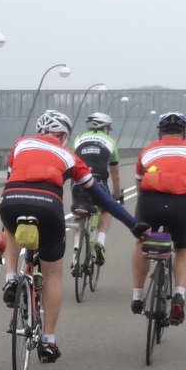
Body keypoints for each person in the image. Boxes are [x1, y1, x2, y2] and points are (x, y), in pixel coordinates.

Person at [0, 109, 149, 361]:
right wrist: (133, 224)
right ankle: (48, 341)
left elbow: (11, 179)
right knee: (53, 273)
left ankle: (12, 278)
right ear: (63, 135)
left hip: (11, 200)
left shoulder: (20, 145)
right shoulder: (69, 156)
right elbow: (102, 197)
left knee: (10, 229)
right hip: (47, 207)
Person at [133, 112, 186, 324]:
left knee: (142, 241)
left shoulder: (146, 152)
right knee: (184, 247)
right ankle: (179, 294)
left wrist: (143, 221)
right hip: (182, 203)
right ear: (184, 134)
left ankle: (138, 295)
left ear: (159, 134)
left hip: (150, 201)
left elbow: (140, 189)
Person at [70, 111, 122, 268]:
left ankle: (75, 256)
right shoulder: (110, 141)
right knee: (107, 209)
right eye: (108, 128)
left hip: (78, 183)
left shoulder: (78, 139)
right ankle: (100, 241)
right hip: (98, 183)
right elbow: (115, 174)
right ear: (104, 127)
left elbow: (71, 165)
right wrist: (117, 195)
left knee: (80, 212)